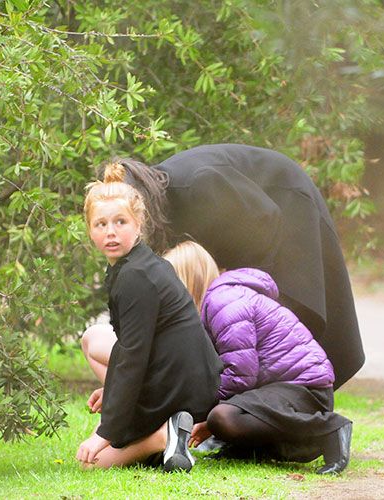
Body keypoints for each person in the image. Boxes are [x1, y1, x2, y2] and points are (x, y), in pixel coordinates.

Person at [101, 144, 364, 389]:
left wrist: (240, 283)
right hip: (258, 216)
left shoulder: (197, 184)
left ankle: (297, 404)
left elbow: (265, 218)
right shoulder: (161, 205)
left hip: (284, 201)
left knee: (284, 313)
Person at [75, 163, 222, 472]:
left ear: (138, 224)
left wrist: (104, 432)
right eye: (100, 224)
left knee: (93, 463)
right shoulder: (136, 265)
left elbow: (132, 354)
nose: (111, 232)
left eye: (120, 222)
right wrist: (112, 392)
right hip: (189, 381)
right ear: (89, 230)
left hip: (182, 389)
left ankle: (162, 436)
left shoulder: (136, 276)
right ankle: (165, 440)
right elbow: (135, 346)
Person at [163, 240, 353, 474]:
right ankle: (243, 449)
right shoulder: (218, 303)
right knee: (221, 416)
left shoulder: (224, 303)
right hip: (279, 390)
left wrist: (203, 413)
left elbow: (241, 374)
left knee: (222, 417)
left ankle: (331, 430)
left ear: (187, 280)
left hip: (304, 389)